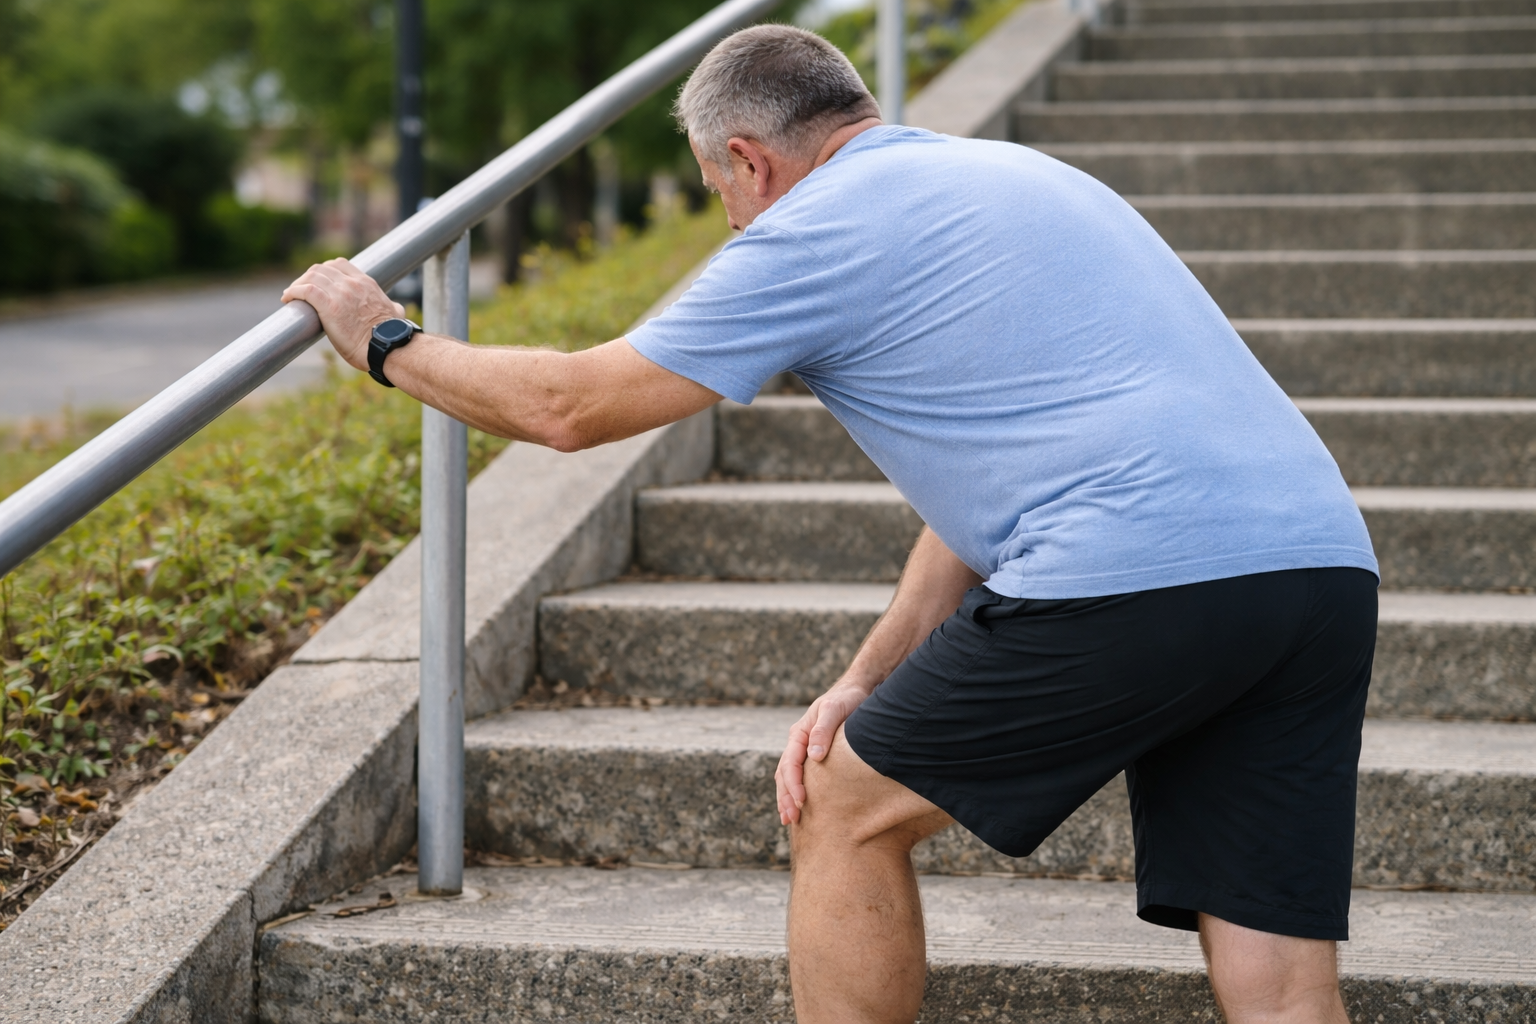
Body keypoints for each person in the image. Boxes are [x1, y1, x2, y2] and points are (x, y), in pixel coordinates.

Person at [282, 24, 1378, 1024]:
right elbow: (998, 490)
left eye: (722, 191)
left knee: (845, 808)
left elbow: (572, 406)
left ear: (749, 160)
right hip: (1318, 569)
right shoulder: (1017, 177)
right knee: (1277, 964)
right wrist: (868, 675)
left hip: (1138, 569)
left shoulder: (813, 227)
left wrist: (385, 339)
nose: (733, 218)